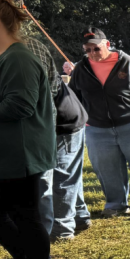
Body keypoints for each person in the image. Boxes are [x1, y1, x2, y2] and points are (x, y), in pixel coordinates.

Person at [68, 27, 130, 216]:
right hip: (98, 128)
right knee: (106, 168)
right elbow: (73, 98)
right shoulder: (81, 69)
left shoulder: (127, 62)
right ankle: (116, 204)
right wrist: (83, 120)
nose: (92, 53)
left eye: (96, 48)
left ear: (107, 44)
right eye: (88, 50)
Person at [0, 0, 56, 259]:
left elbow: (19, 106)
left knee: (25, 215)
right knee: (7, 215)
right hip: (8, 154)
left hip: (21, 155)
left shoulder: (18, 58)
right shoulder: (6, 57)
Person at [37, 60, 92, 242]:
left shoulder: (17, 66)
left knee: (61, 175)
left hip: (63, 123)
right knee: (68, 173)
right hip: (67, 117)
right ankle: (80, 216)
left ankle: (62, 229)